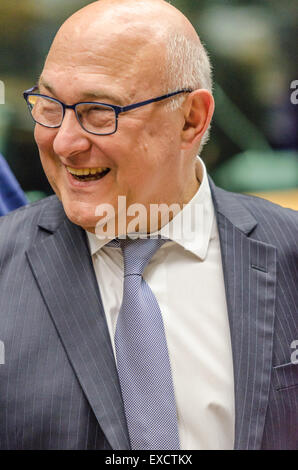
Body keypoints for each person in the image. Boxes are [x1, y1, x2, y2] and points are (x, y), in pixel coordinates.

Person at [0, 0, 297, 450]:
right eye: (47, 106)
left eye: (99, 112)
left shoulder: (289, 254)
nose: (63, 142)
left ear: (191, 119)